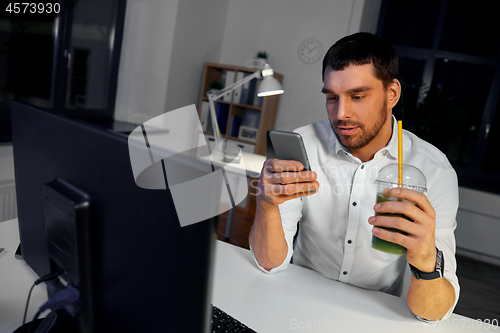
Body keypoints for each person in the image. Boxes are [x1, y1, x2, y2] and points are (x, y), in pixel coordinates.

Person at [249, 32, 459, 322]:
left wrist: (425, 262)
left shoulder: (434, 171)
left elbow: (434, 313)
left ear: (392, 94)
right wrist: (267, 205)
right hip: (296, 307)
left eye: (357, 96)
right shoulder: (305, 145)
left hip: (375, 317)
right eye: (332, 98)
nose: (341, 113)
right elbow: (270, 264)